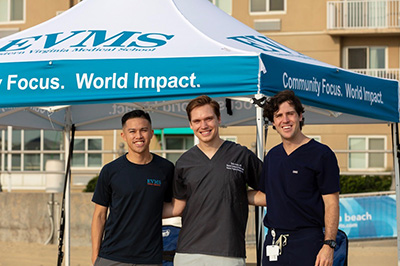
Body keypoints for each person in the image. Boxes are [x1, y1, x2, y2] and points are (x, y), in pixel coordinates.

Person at [163, 95, 263, 266]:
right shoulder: (184, 162)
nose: (203, 125)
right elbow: (178, 207)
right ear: (191, 125)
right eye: (197, 121)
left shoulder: (241, 155)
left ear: (218, 119)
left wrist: (235, 194)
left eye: (208, 118)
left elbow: (272, 193)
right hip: (188, 253)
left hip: (229, 252)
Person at [251, 90, 340, 266]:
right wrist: (229, 192)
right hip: (274, 242)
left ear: (300, 116)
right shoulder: (272, 156)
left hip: (308, 243)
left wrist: (328, 245)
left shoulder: (322, 154)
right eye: (278, 116)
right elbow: (268, 197)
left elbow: (331, 203)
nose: (285, 120)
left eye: (290, 114)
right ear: (274, 122)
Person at [91, 110, 174, 266]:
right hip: (111, 256)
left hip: (149, 259)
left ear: (151, 133)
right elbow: (99, 216)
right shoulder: (110, 171)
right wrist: (95, 256)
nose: (139, 136)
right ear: (124, 136)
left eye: (143, 130)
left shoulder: (166, 169)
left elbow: (170, 207)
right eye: (132, 131)